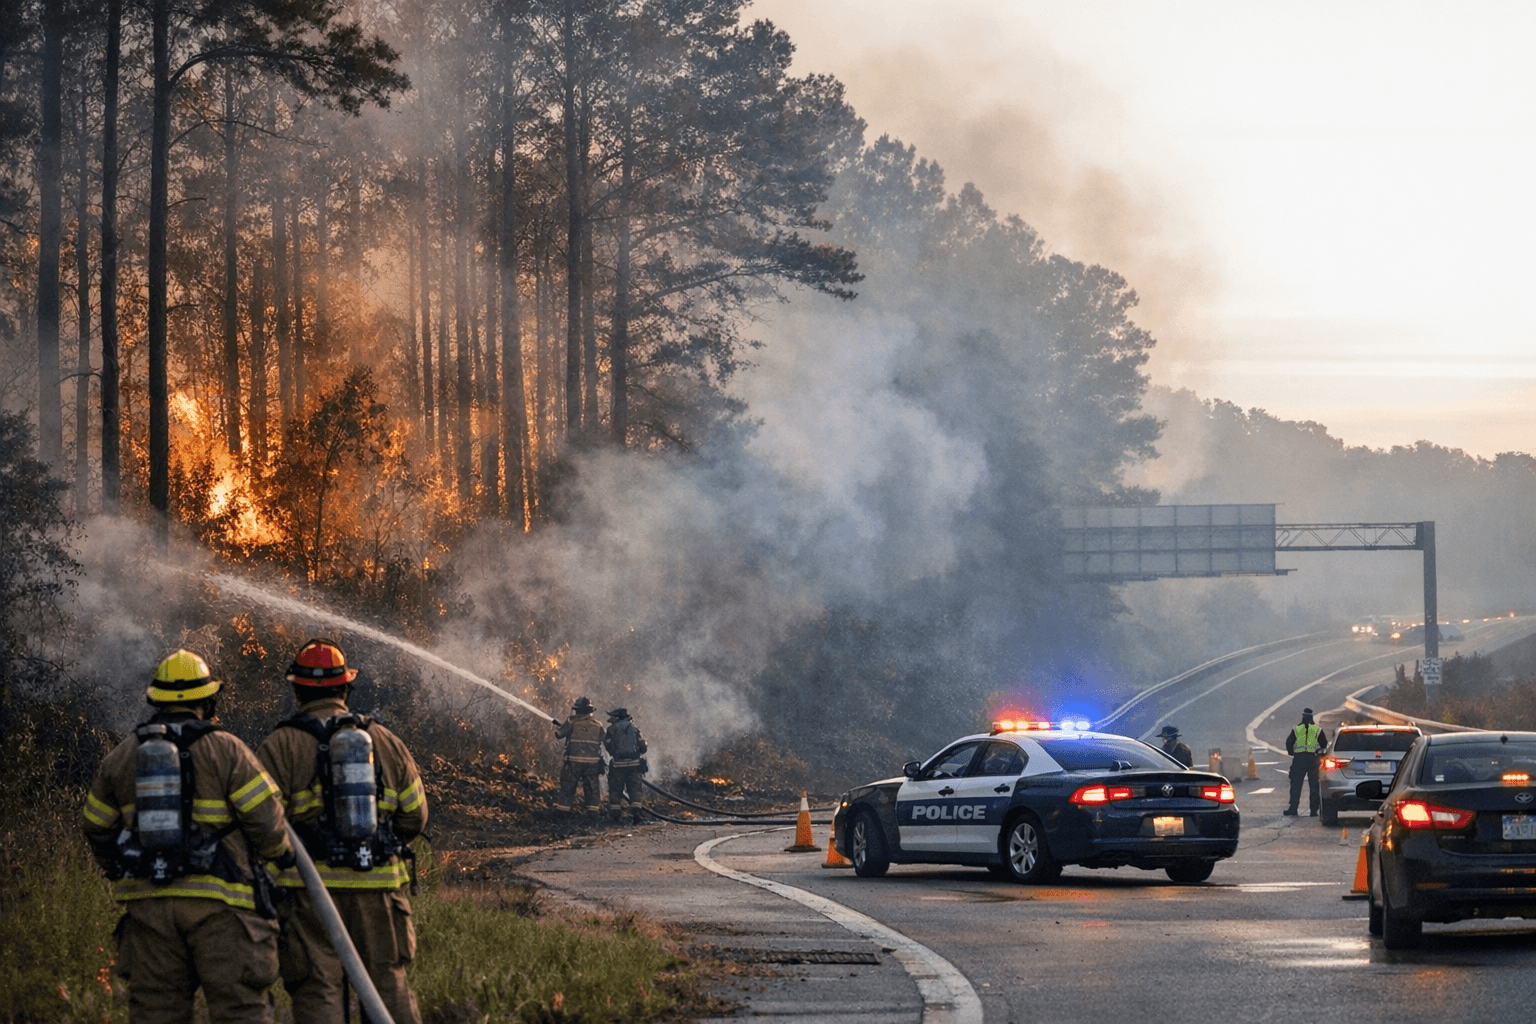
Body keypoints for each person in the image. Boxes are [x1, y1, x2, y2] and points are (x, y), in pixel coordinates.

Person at [81, 650, 294, 1024]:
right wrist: (278, 858)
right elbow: (269, 825)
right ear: (207, 700)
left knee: (156, 1013)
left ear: (156, 701)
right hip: (223, 908)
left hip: (150, 907)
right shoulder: (227, 749)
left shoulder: (122, 755)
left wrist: (118, 865)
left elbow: (96, 825)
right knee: (240, 1010)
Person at [256, 639, 427, 1024]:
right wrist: (380, 844)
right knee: (387, 986)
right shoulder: (385, 741)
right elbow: (415, 816)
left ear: (298, 690)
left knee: (319, 990)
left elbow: (261, 824)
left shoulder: (278, 746)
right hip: (378, 888)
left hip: (309, 896)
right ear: (345, 688)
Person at [553, 696, 605, 812]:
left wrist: (560, 726)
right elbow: (603, 739)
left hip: (573, 762)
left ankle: (563, 812)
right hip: (592, 764)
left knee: (568, 787)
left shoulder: (571, 721)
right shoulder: (598, 724)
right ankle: (592, 814)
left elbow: (558, 734)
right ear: (591, 711)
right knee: (592, 789)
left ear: (577, 710)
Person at [603, 707, 648, 823]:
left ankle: (615, 817)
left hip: (618, 765)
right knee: (635, 790)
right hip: (634, 765)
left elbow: (608, 745)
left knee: (615, 791)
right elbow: (643, 747)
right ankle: (637, 816)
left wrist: (615, 752)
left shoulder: (611, 729)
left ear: (617, 717)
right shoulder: (635, 728)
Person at [1283, 707, 1329, 817]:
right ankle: (1314, 810)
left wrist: (1291, 752)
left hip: (1299, 759)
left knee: (1296, 785)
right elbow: (1324, 744)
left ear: (1303, 717)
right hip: (1313, 759)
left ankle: (1293, 808)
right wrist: (1318, 752)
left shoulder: (1297, 729)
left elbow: (1289, 742)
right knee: (1314, 785)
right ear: (1312, 717)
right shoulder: (1317, 730)